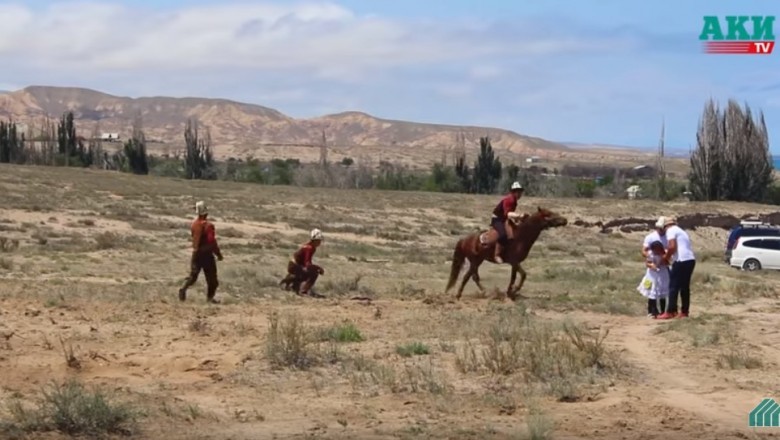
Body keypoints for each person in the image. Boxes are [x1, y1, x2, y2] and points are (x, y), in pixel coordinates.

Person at [178, 201, 224, 304]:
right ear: (206, 213)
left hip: (196, 254)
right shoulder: (208, 226)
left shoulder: (194, 224)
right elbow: (212, 242)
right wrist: (218, 254)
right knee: (212, 280)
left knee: (193, 276)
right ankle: (209, 299)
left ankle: (183, 289)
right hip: (206, 256)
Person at [656, 217, 696, 319]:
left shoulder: (671, 231)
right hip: (690, 259)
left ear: (665, 226)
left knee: (673, 286)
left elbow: (672, 247)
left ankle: (671, 311)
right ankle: (684, 312)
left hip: (681, 260)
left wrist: (666, 258)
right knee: (684, 287)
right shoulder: (681, 231)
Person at [490, 181, 525, 263]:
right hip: (497, 219)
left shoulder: (514, 201)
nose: (520, 194)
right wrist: (519, 216)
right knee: (502, 234)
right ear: (514, 192)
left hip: (504, 219)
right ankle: (497, 254)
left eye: (520, 192)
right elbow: (508, 213)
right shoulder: (509, 200)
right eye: (518, 192)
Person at [285, 228, 325, 297]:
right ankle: (303, 291)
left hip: (294, 265)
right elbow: (307, 264)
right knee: (314, 273)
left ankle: (294, 286)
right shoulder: (309, 248)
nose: (320, 242)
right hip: (295, 266)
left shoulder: (309, 246)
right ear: (315, 240)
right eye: (319, 240)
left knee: (307, 272)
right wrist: (318, 268)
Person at [637, 240, 670, 318]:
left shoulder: (664, 253)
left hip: (662, 274)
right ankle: (652, 311)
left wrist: (664, 261)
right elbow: (647, 263)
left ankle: (662, 311)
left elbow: (668, 262)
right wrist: (652, 266)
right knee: (650, 292)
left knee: (662, 294)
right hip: (651, 275)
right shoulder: (650, 254)